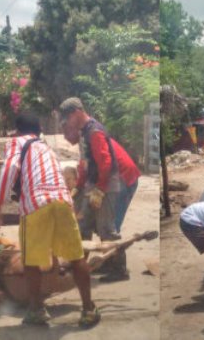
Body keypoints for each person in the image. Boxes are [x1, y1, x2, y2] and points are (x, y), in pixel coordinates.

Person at [0, 112, 99, 328]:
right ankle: (88, 309)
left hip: (36, 204)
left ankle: (37, 310)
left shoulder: (16, 142)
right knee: (77, 257)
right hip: (62, 201)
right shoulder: (46, 148)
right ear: (38, 130)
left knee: (31, 260)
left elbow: (10, 168)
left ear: (17, 130)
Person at [59, 97, 141, 282]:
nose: (65, 135)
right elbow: (85, 164)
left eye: (67, 120)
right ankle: (83, 265)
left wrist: (100, 190)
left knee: (107, 227)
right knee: (84, 224)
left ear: (76, 113)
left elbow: (106, 164)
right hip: (102, 180)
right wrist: (79, 188)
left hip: (117, 178)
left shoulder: (94, 132)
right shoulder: (84, 133)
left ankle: (118, 269)